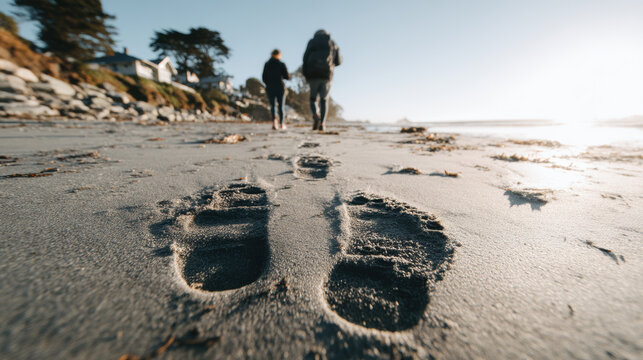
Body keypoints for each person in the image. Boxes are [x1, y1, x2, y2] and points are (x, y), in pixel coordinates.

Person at [303, 29, 342, 131]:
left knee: (313, 98)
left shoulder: (312, 42)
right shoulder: (332, 42)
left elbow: (305, 58)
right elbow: (338, 61)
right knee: (324, 99)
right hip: (326, 75)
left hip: (313, 75)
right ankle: (323, 123)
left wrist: (306, 74)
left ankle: (316, 115)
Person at [262, 49, 291, 130]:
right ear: (279, 55)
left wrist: (268, 83)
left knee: (273, 105)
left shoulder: (267, 64)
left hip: (270, 87)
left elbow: (263, 77)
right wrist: (289, 75)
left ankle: (275, 121)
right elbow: (286, 76)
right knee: (281, 106)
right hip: (280, 87)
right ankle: (282, 123)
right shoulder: (281, 64)